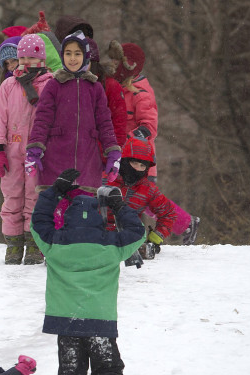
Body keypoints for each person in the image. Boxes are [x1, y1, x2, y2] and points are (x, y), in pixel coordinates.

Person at [30, 169, 145, 375]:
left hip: (66, 322)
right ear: (101, 218)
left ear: (65, 219)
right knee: (108, 369)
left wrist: (55, 191)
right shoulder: (112, 244)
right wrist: (118, 206)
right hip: (100, 323)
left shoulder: (55, 243)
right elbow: (137, 231)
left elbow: (38, 220)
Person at [107, 41, 200, 245]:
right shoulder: (117, 88)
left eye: (116, 61)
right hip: (122, 161)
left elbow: (149, 125)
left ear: (129, 65)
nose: (112, 65)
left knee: (148, 202)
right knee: (133, 201)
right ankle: (130, 239)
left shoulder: (141, 93)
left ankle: (185, 223)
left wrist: (130, 140)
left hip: (139, 163)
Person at [25, 31, 121, 190]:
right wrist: (34, 149)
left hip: (87, 163)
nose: (73, 58)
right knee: (55, 212)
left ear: (86, 56)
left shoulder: (95, 88)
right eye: (68, 53)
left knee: (83, 212)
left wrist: (112, 152)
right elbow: (42, 120)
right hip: (55, 160)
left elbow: (105, 123)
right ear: (62, 56)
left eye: (78, 53)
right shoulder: (54, 85)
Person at [0, 34, 55, 265]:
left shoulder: (51, 85)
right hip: (12, 150)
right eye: (22, 57)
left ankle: (35, 244)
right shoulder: (9, 85)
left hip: (39, 153)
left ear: (42, 58)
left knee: (35, 198)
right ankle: (14, 246)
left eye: (32, 57)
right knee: (12, 199)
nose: (26, 62)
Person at [106, 137, 177, 260]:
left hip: (128, 238)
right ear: (124, 161)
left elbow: (168, 213)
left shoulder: (147, 189)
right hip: (98, 236)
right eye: (134, 163)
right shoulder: (107, 179)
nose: (137, 169)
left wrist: (156, 238)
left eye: (142, 165)